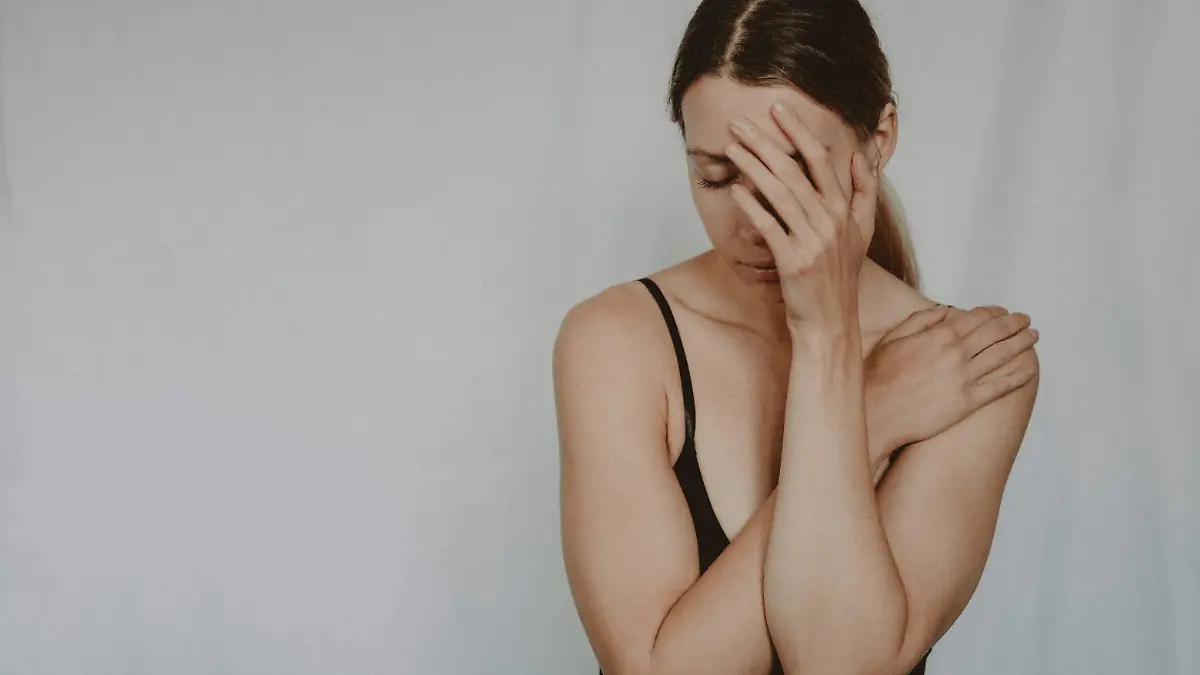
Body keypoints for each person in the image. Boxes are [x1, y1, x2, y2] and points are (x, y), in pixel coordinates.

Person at [552, 1, 1041, 673]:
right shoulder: (617, 342)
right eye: (716, 175)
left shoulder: (970, 365)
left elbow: (839, 662)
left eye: (790, 174)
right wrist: (870, 414)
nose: (752, 222)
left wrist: (825, 338)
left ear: (879, 139)